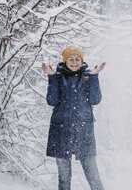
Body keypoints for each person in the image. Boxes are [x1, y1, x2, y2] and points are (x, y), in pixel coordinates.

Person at [42, 45, 106, 190]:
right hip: (61, 132)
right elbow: (51, 101)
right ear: (65, 60)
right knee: (64, 180)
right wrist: (51, 78)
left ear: (82, 61)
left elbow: (95, 100)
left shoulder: (88, 77)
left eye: (78, 59)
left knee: (94, 178)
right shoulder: (58, 77)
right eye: (71, 58)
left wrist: (95, 77)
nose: (74, 62)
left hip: (84, 132)